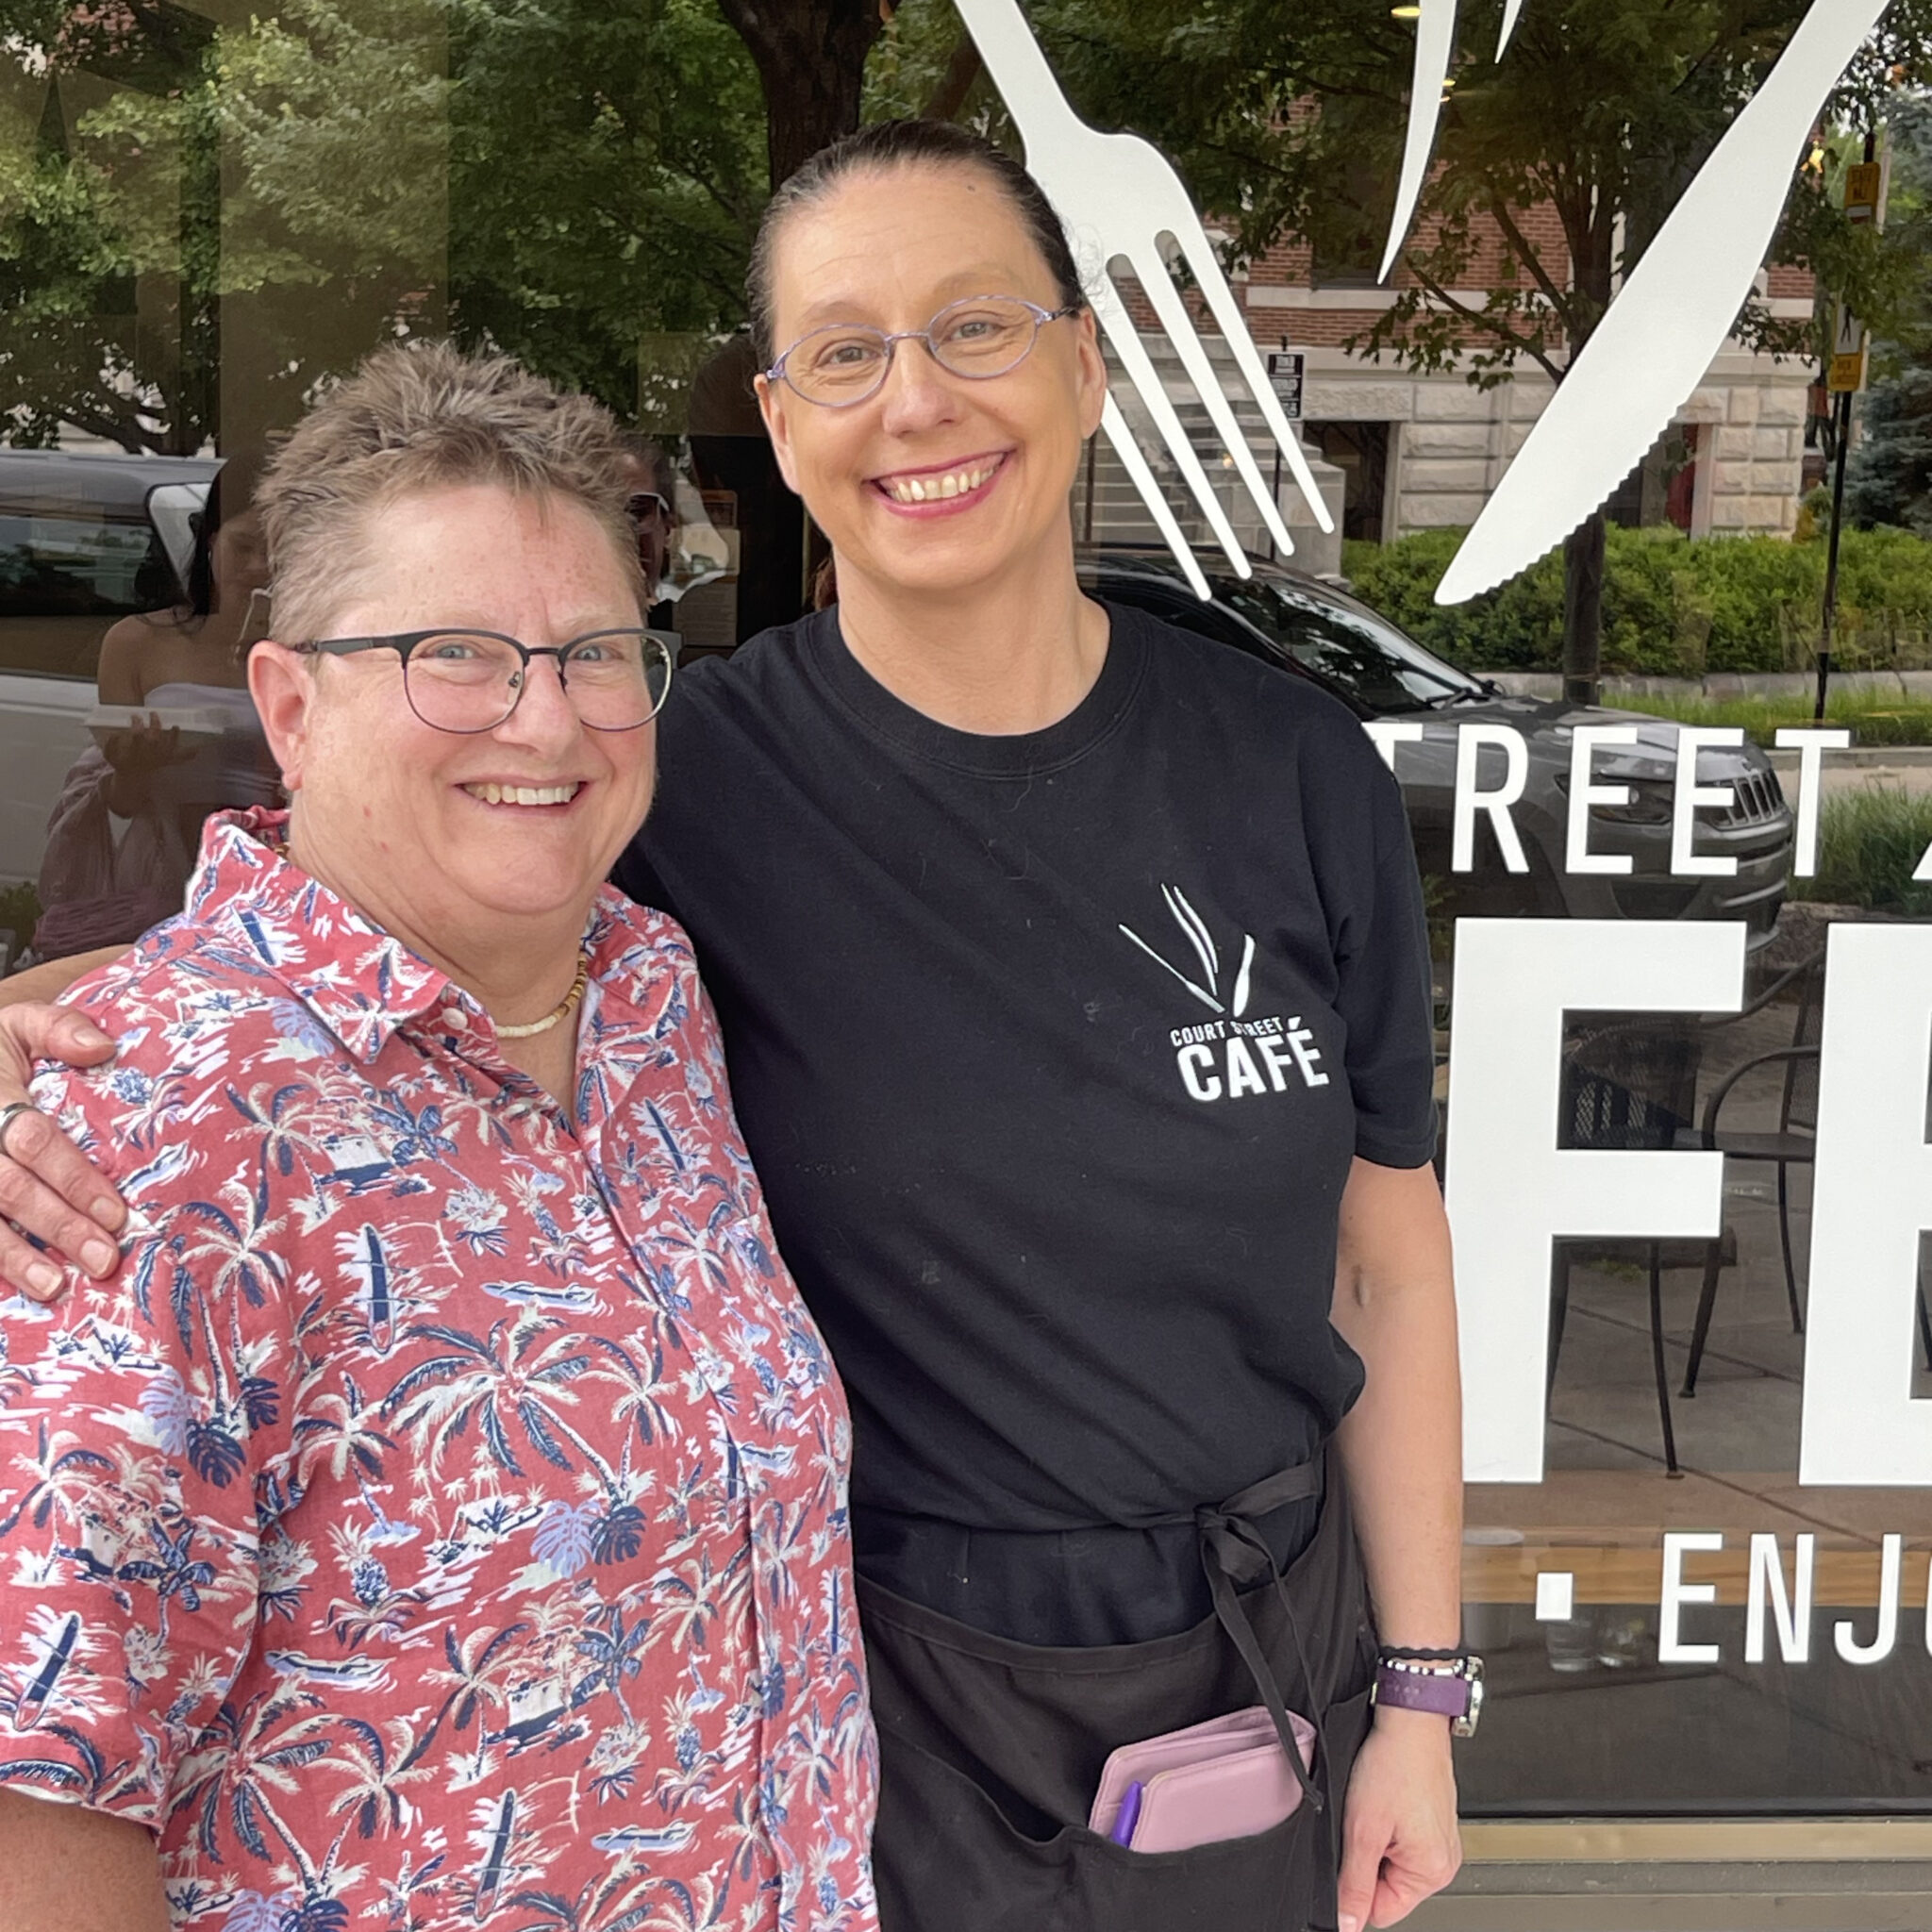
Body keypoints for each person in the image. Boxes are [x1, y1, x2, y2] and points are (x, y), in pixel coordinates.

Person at [0, 121, 1463, 1931]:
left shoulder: (1283, 774)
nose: (915, 399)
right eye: (845, 350)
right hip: (906, 1698)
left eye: (975, 327)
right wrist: (53, 1035)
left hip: (1248, 1656)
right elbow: (334, 931)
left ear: (1086, 365)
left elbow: (1385, 1261)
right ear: (782, 424)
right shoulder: (673, 786)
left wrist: (1421, 1685)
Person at [0, 346, 875, 1932]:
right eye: (454, 653)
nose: (544, 720)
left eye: (596, 650)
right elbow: (37, 1806)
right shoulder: (159, 1136)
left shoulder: (651, 999)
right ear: (290, 703)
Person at [32, 461, 280, 962]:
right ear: (210, 541)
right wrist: (133, 767)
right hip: (161, 863)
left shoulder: (310, 651)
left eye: (276, 548)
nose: (258, 564)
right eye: (243, 546)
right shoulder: (137, 641)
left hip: (271, 865)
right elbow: (121, 803)